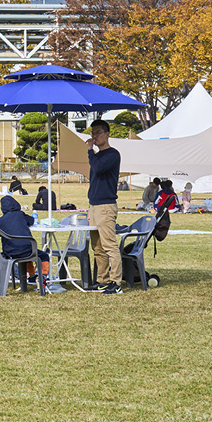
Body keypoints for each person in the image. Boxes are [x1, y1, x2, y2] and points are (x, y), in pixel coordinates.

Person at [86, 118, 123, 294]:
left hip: (106, 205)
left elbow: (99, 168)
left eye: (98, 133)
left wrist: (89, 150)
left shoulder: (112, 154)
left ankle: (116, 283)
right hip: (94, 205)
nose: (95, 136)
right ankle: (102, 280)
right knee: (97, 247)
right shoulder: (96, 156)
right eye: (93, 133)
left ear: (107, 134)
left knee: (109, 245)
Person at [0, 195, 49, 280]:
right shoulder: (21, 214)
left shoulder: (0, 220)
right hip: (26, 249)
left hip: (9, 252)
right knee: (44, 256)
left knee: (26, 257)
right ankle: (43, 276)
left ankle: (32, 276)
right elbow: (31, 220)